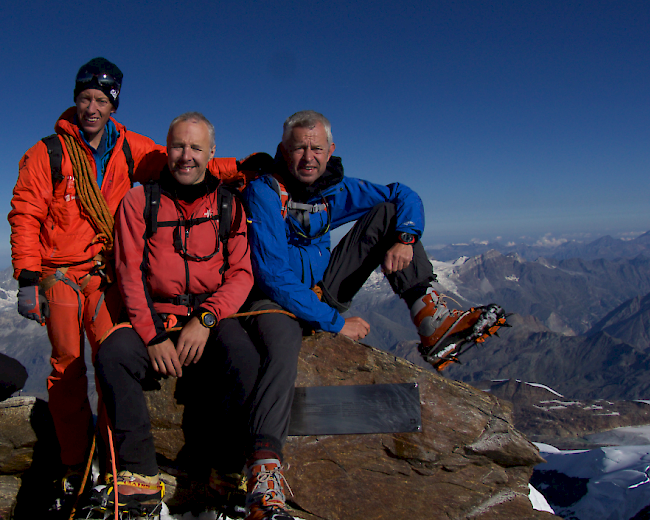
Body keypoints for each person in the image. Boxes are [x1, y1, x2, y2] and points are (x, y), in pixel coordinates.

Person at [232, 110, 507, 520]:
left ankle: (431, 320)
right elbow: (272, 275)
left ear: (331, 151)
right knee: (279, 334)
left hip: (325, 288)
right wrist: (335, 323)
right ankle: (264, 470)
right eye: (298, 148)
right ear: (282, 151)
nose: (308, 156)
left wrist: (406, 237)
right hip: (278, 301)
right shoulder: (266, 193)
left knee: (388, 213)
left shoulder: (337, 190)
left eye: (316, 148)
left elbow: (403, 194)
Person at [7, 58, 241, 510]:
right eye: (85, 98)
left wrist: (243, 169)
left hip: (104, 271)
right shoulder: (47, 153)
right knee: (67, 366)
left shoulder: (129, 148)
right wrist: (27, 277)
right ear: (74, 99)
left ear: (113, 104)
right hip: (59, 274)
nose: (91, 108)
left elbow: (184, 159)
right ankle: (76, 468)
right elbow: (26, 212)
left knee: (111, 357)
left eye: (101, 100)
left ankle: (119, 467)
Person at [92, 112, 254, 515]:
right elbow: (129, 274)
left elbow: (241, 274)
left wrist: (206, 319)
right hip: (157, 320)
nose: (186, 156)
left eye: (196, 148)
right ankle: (139, 477)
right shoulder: (139, 200)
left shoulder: (228, 206)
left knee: (245, 358)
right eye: (179, 146)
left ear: (211, 153)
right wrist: (152, 336)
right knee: (113, 355)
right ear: (167, 150)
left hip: (209, 321)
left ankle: (229, 469)